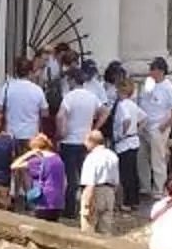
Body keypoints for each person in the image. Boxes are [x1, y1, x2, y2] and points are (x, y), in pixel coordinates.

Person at [135, 54, 172, 198]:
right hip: (144, 125)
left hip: (157, 127)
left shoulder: (168, 88)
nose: (151, 72)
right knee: (141, 157)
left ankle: (159, 188)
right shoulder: (148, 84)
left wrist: (166, 125)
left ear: (161, 71)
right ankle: (145, 186)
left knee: (158, 159)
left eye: (153, 70)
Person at [55, 67, 103, 205]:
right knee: (85, 174)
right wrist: (95, 127)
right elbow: (105, 111)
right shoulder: (92, 97)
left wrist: (61, 132)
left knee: (70, 176)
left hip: (70, 140)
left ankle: (69, 207)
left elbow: (60, 115)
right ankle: (86, 203)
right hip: (86, 140)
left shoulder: (69, 97)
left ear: (72, 80)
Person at [15, 129, 67, 220]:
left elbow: (14, 166)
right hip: (58, 201)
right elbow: (65, 181)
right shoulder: (58, 159)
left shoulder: (37, 161)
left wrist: (28, 154)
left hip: (43, 201)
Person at [111, 74, 145, 211]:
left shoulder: (122, 105)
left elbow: (126, 120)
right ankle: (134, 200)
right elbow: (144, 118)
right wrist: (136, 130)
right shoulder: (133, 104)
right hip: (134, 140)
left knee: (125, 173)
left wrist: (122, 133)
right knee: (133, 171)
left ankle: (126, 201)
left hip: (124, 142)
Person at [79, 125, 121, 235]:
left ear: (92, 142)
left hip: (95, 191)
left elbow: (90, 182)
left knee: (88, 227)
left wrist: (87, 202)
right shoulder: (112, 156)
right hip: (109, 191)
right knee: (106, 229)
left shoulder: (92, 157)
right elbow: (116, 180)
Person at [0, 55, 48, 146]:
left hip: (11, 134)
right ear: (30, 72)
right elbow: (45, 112)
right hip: (31, 135)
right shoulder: (37, 90)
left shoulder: (7, 87)